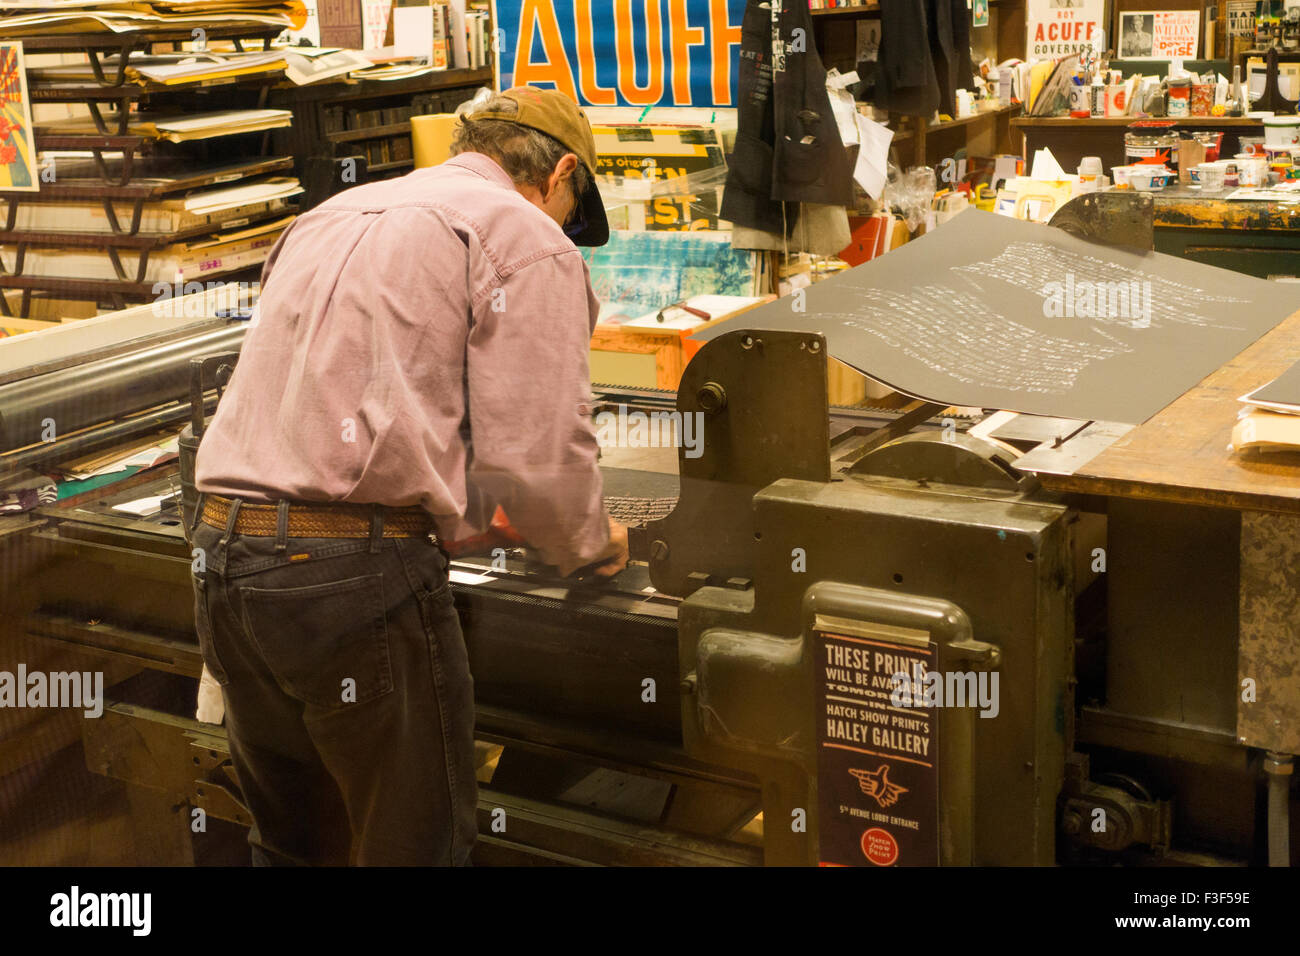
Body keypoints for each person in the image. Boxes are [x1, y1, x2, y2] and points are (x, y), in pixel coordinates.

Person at [189, 85, 629, 866]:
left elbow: (353, 393)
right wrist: (592, 543)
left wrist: (463, 502)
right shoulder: (522, 235)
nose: (564, 227)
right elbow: (539, 460)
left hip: (223, 554)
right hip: (347, 579)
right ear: (561, 173)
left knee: (296, 844)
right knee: (411, 848)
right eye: (570, 208)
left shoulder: (328, 215)